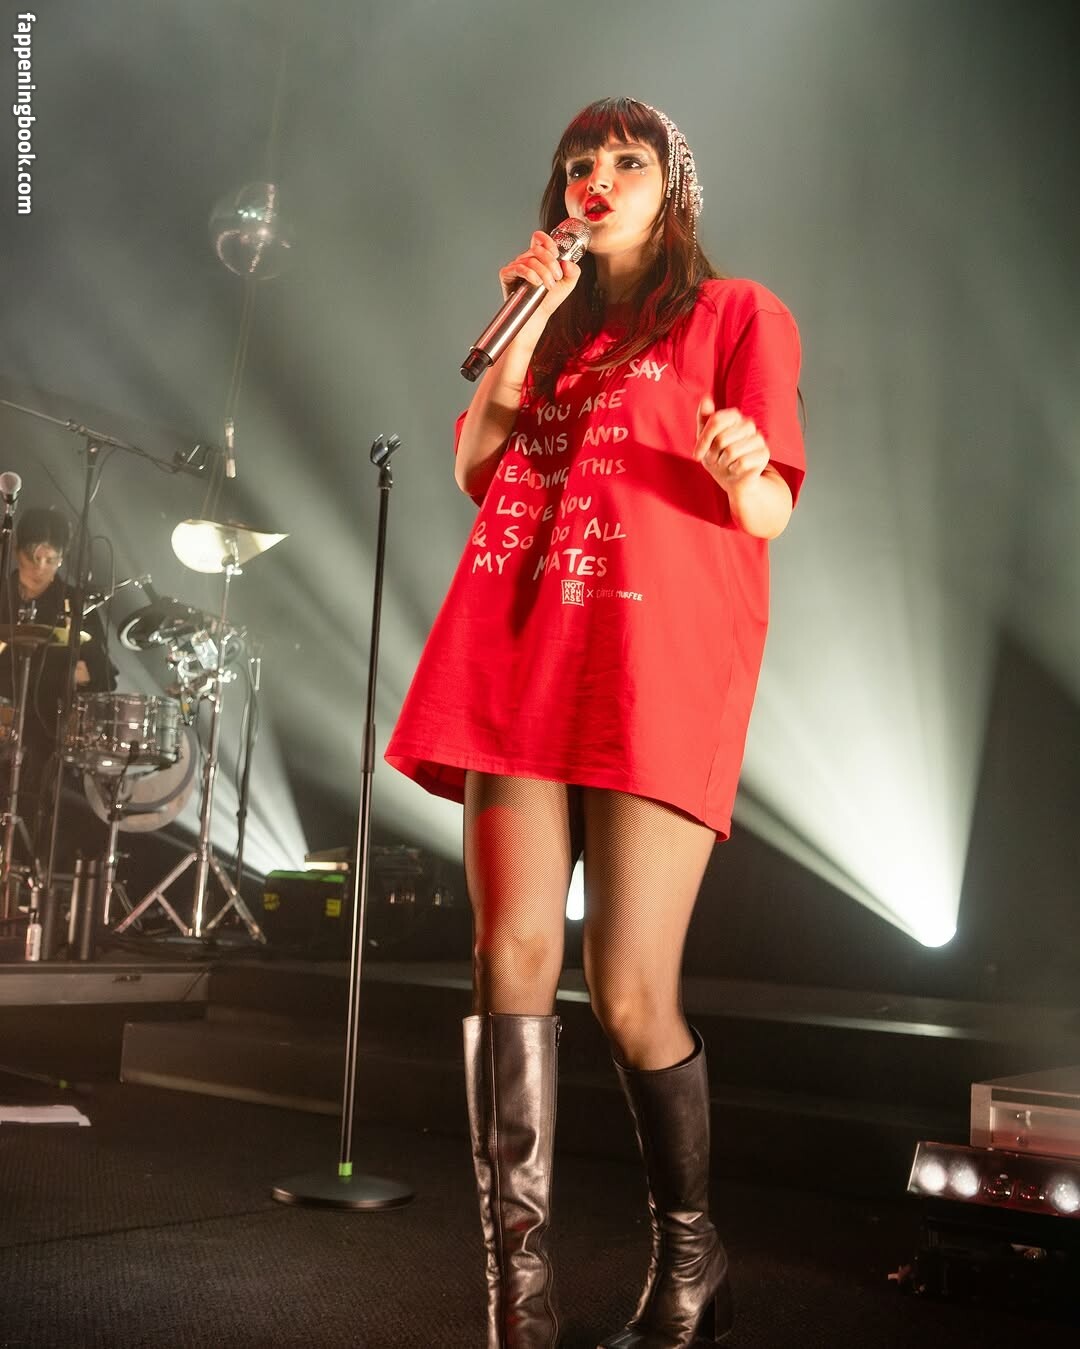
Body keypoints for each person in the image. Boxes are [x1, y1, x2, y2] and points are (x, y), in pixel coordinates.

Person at [386, 97, 805, 1348]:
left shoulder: (738, 313)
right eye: (578, 163)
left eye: (626, 160)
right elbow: (478, 470)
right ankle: (517, 1302)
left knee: (627, 992)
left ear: (673, 188)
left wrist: (744, 466)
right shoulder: (552, 328)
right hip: (522, 650)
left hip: (650, 666)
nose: (596, 178)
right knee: (506, 954)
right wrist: (526, 320)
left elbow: (772, 509)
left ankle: (691, 1254)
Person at [1, 506, 116, 816]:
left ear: (61, 559)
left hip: (47, 733)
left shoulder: (76, 606)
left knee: (35, 803)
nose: (40, 568)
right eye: (33, 557)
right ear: (16, 550)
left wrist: (86, 676)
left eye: (50, 560)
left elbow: (105, 675)